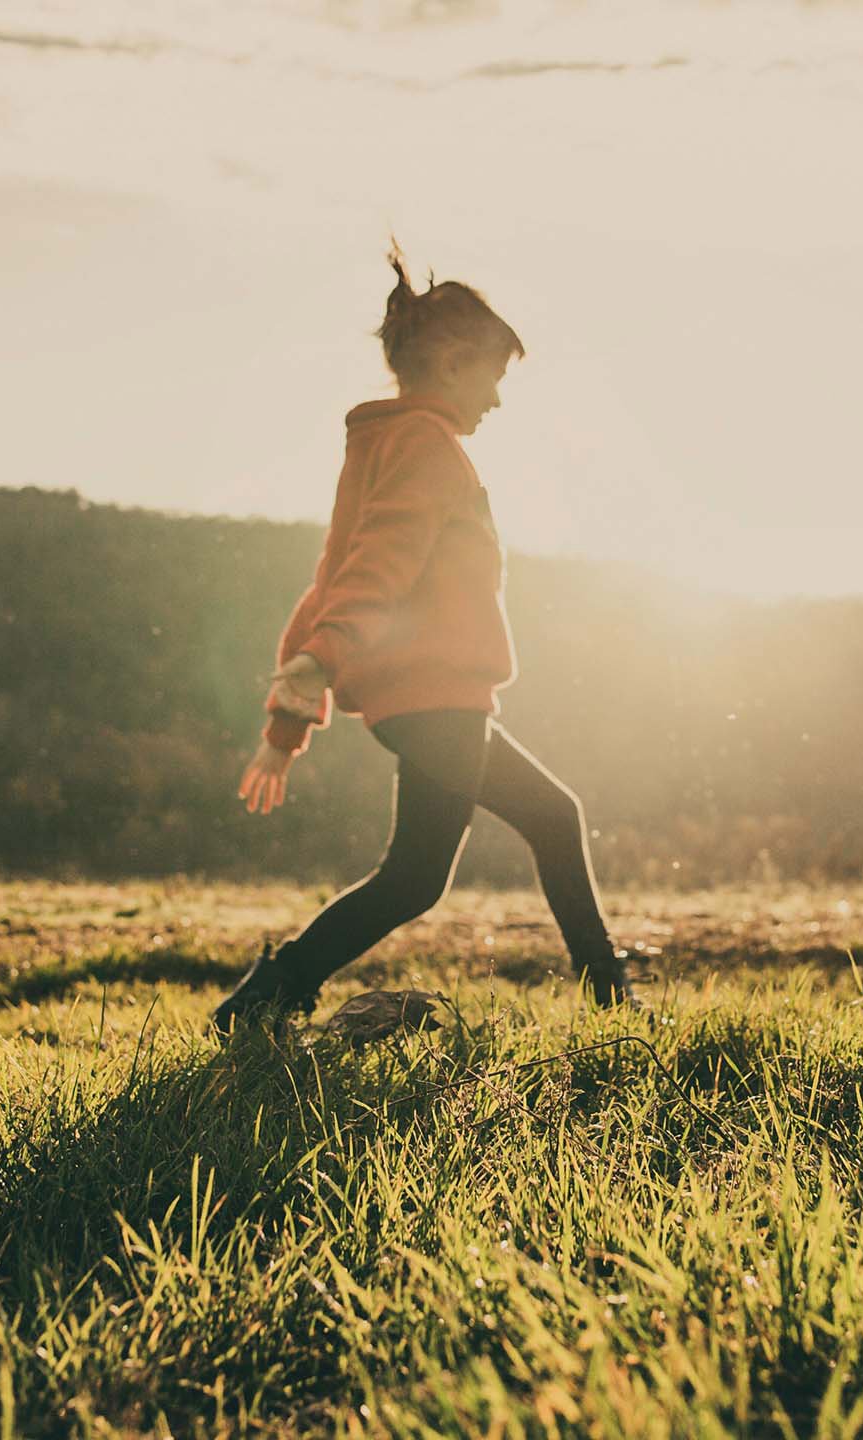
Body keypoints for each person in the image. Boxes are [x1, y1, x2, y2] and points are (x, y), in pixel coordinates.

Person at [216, 248, 636, 1031]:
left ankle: (610, 992)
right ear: (449, 364)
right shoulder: (426, 450)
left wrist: (288, 717)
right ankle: (266, 999)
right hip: (436, 695)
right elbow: (377, 568)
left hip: (435, 699)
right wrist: (321, 659)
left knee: (524, 828)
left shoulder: (386, 446)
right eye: (494, 380)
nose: (499, 402)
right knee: (430, 872)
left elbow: (332, 573)